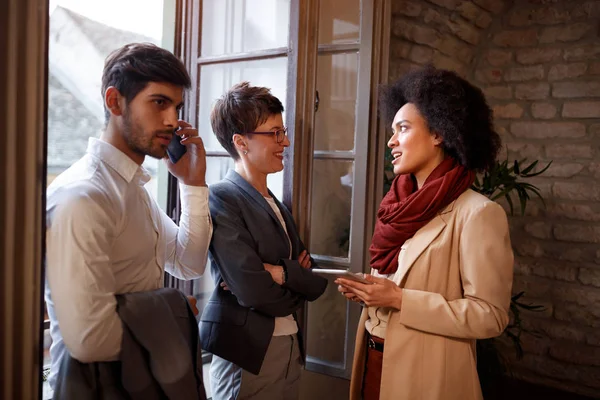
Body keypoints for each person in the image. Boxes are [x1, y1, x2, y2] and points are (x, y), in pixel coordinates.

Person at [336, 66, 514, 400]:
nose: (391, 141)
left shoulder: (478, 213)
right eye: (392, 130)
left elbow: (490, 316)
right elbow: (398, 278)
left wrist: (399, 299)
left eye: (402, 129)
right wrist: (371, 290)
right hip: (373, 361)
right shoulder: (395, 205)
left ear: (439, 134)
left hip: (428, 380)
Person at [45, 42, 212, 391]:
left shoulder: (134, 189)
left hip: (143, 378)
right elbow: (91, 340)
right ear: (114, 101)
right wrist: (175, 310)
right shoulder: (83, 197)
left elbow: (188, 263)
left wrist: (193, 184)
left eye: (177, 106)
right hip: (95, 387)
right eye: (159, 102)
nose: (172, 120)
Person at [199, 82, 328, 400]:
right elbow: (252, 288)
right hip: (247, 353)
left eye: (282, 132)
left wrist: (281, 273)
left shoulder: (278, 204)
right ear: (241, 142)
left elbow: (315, 282)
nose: (285, 141)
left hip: (289, 346)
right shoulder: (221, 198)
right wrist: (293, 281)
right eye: (274, 133)